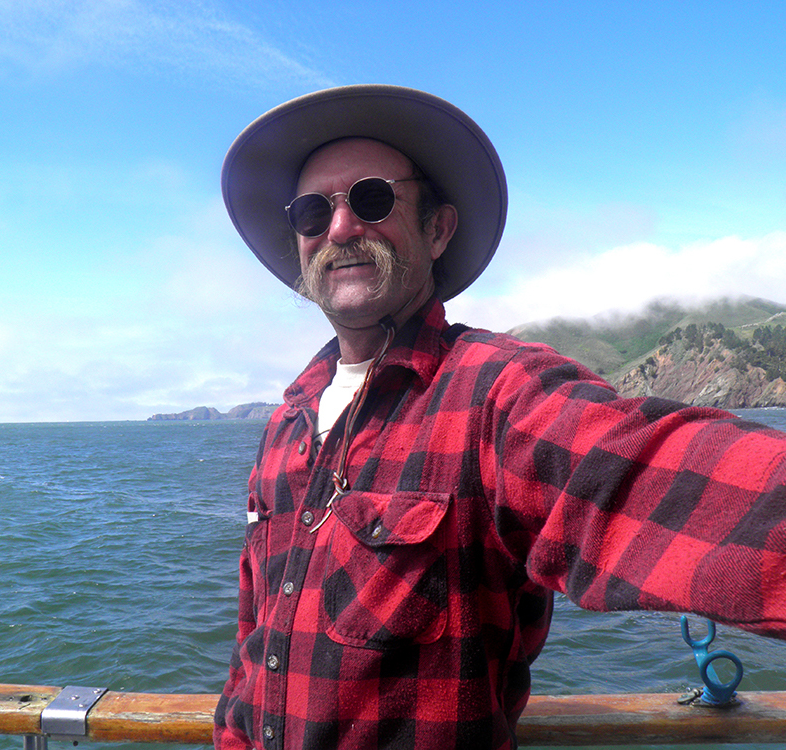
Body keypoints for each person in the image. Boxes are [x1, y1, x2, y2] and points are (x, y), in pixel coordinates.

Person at [213, 84, 786, 750]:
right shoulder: (287, 422)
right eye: (313, 213)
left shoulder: (495, 394)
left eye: (371, 199)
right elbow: (253, 648)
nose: (339, 228)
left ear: (437, 230)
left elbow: (642, 473)